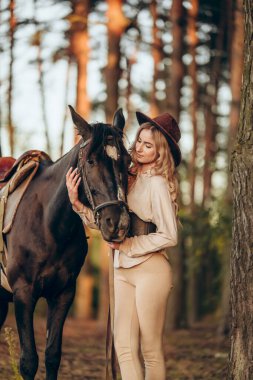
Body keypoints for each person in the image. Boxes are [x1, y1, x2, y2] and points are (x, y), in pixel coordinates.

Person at [66, 110, 181, 380]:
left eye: (148, 145)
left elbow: (169, 235)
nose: (139, 148)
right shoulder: (127, 179)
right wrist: (78, 204)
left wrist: (128, 246)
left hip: (150, 271)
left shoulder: (158, 184)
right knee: (124, 348)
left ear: (160, 152)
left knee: (149, 349)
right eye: (139, 141)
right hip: (122, 270)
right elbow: (110, 224)